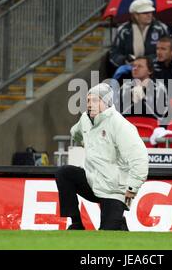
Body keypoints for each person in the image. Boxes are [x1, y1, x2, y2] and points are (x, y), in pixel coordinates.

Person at [56, 83, 149, 230]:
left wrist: (132, 187)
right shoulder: (85, 119)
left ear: (106, 102)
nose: (89, 105)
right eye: (88, 101)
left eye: (95, 100)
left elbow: (140, 158)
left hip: (114, 190)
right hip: (91, 180)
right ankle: (76, 224)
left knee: (107, 233)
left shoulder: (120, 125)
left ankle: (120, 225)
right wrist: (85, 143)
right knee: (64, 173)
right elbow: (75, 132)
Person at [108, 0, 169, 81]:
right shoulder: (123, 30)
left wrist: (146, 62)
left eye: (151, 12)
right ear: (135, 15)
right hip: (130, 72)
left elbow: (168, 51)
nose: (149, 15)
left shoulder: (161, 29)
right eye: (145, 13)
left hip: (155, 71)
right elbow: (114, 53)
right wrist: (125, 60)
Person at [116, 56, 169, 122]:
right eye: (134, 66)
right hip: (130, 127)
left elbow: (161, 117)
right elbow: (118, 116)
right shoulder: (125, 87)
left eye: (140, 66)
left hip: (152, 128)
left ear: (150, 71)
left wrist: (143, 101)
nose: (135, 68)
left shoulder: (159, 88)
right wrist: (132, 101)